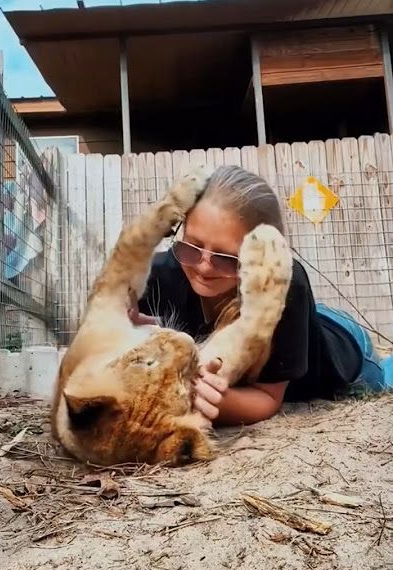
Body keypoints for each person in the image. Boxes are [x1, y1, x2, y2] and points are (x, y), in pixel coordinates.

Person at [129, 165, 393, 428]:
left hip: (340, 343)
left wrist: (209, 398)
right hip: (299, 319)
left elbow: (267, 398)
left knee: (385, 378)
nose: (204, 266)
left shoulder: (282, 281)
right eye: (192, 247)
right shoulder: (158, 275)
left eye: (226, 258)